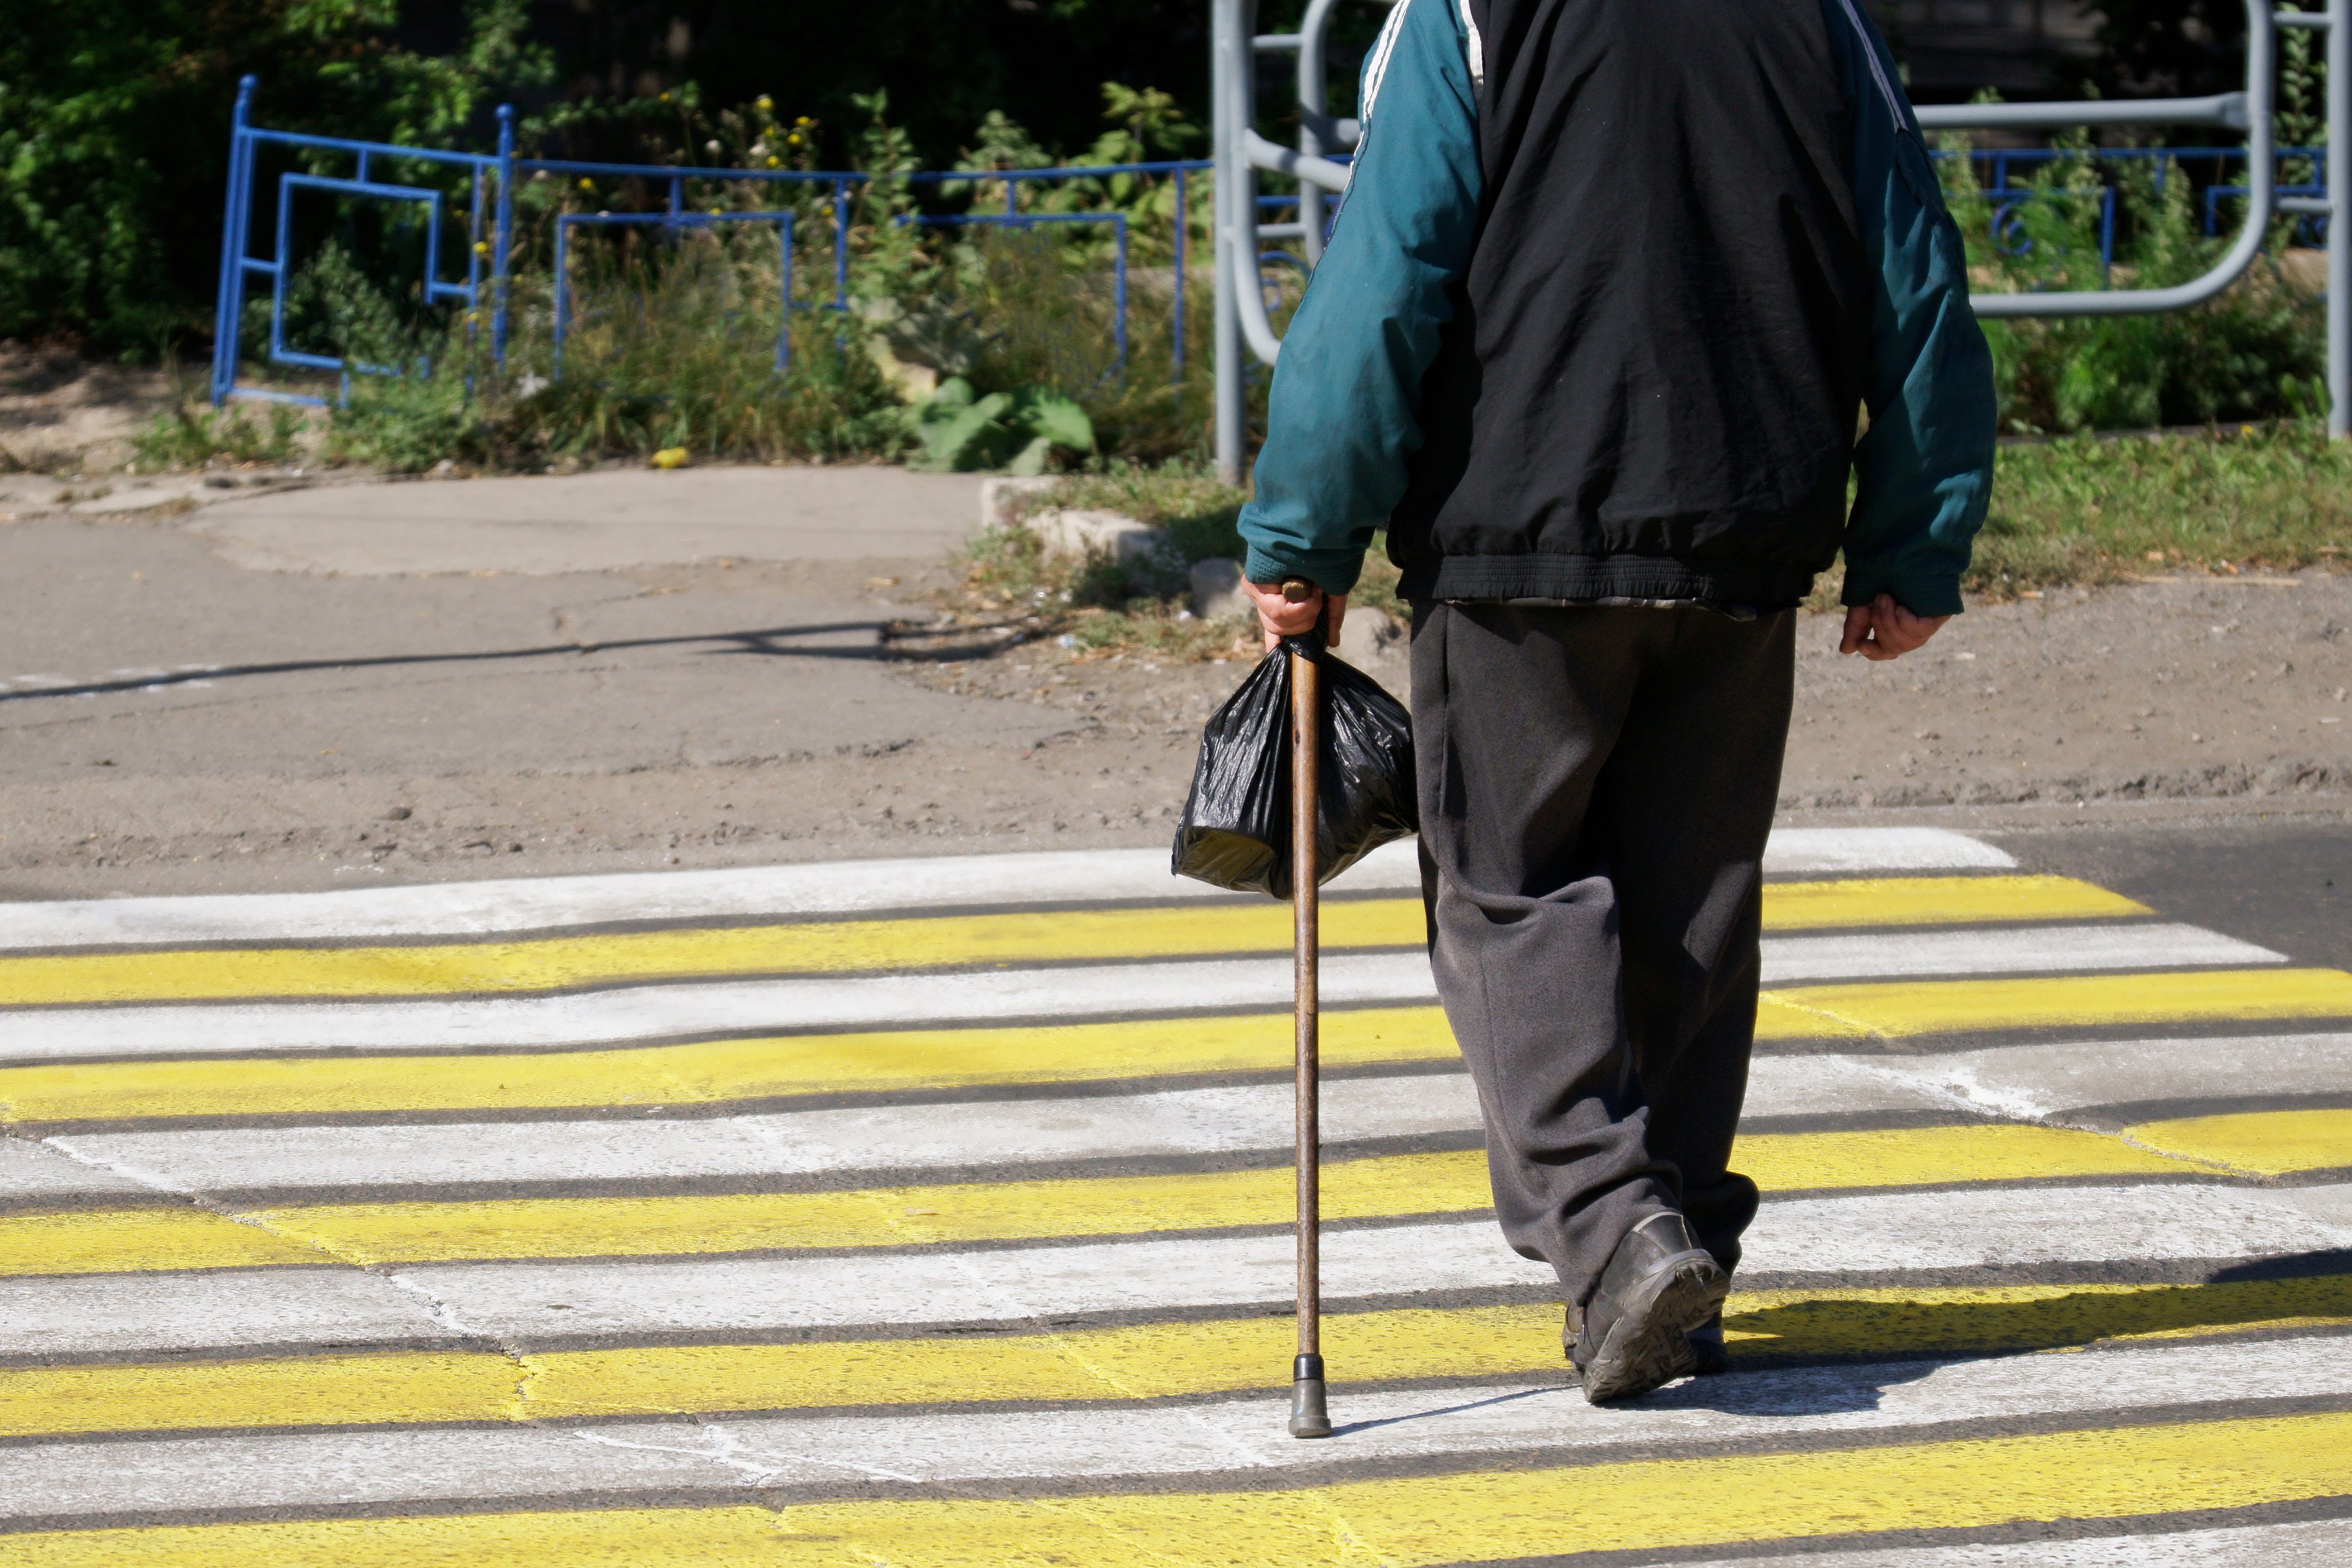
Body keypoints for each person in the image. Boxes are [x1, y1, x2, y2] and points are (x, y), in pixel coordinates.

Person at [1238, 0, 1996, 1403]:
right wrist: (1914, 535)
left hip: (1513, 537)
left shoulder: (1467, 11)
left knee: (1511, 890)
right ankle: (1671, 1273)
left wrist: (1303, 532)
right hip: (1740, 526)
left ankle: (1614, 1226)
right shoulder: (1815, 17)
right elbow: (1913, 267)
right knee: (1689, 905)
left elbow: (1384, 274)